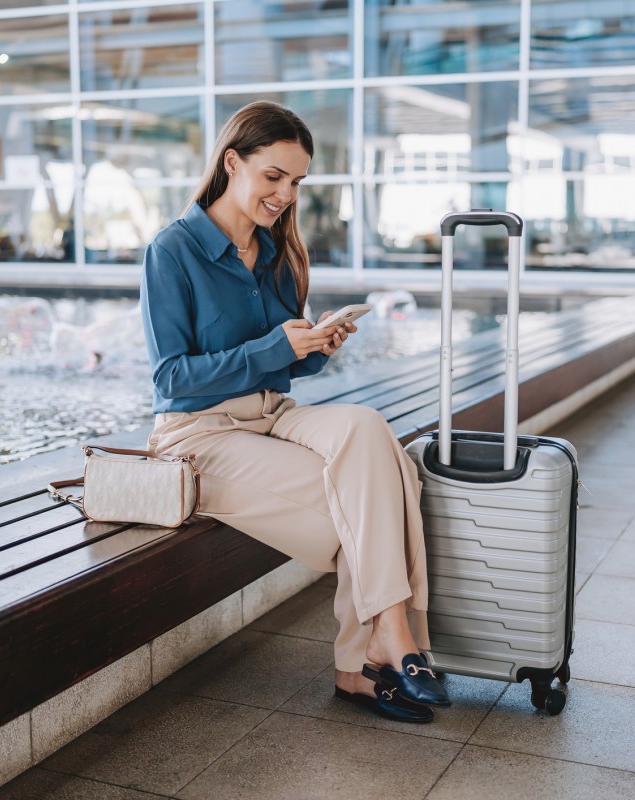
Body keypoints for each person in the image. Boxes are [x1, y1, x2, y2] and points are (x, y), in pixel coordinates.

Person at [140, 101, 449, 723]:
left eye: (297, 182)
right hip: (197, 432)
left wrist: (314, 349)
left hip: (274, 412)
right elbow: (171, 377)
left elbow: (283, 366)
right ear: (233, 162)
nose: (285, 194)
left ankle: (376, 648)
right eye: (274, 176)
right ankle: (379, 650)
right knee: (373, 497)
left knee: (366, 431)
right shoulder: (172, 250)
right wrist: (275, 346)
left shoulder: (278, 250)